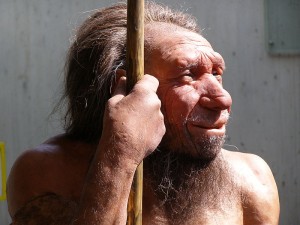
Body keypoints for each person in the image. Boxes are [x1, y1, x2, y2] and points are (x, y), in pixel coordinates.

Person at [7, 2, 280, 225]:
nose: (223, 99)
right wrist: (120, 151)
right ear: (124, 90)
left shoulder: (251, 180)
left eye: (216, 74)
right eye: (188, 75)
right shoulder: (48, 173)